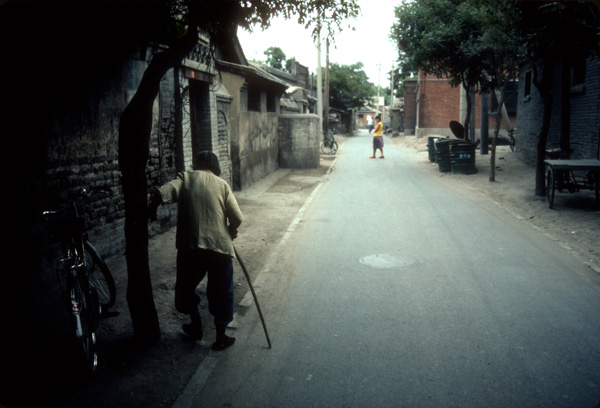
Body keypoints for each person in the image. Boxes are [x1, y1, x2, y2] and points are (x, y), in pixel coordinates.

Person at [149, 151, 243, 350]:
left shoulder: (186, 178)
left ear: (197, 165)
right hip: (220, 247)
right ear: (216, 168)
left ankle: (196, 325)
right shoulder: (222, 184)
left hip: (192, 248)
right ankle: (220, 337)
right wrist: (231, 230)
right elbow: (237, 218)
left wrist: (152, 209)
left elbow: (163, 192)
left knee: (185, 288)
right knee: (222, 291)